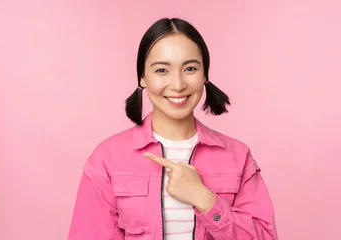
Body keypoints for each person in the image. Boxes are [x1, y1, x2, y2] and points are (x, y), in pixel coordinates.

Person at [68, 17, 278, 240]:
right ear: (142, 77)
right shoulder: (107, 158)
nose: (178, 85)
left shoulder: (238, 156)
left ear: (204, 75)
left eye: (190, 68)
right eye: (161, 70)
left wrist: (205, 200)